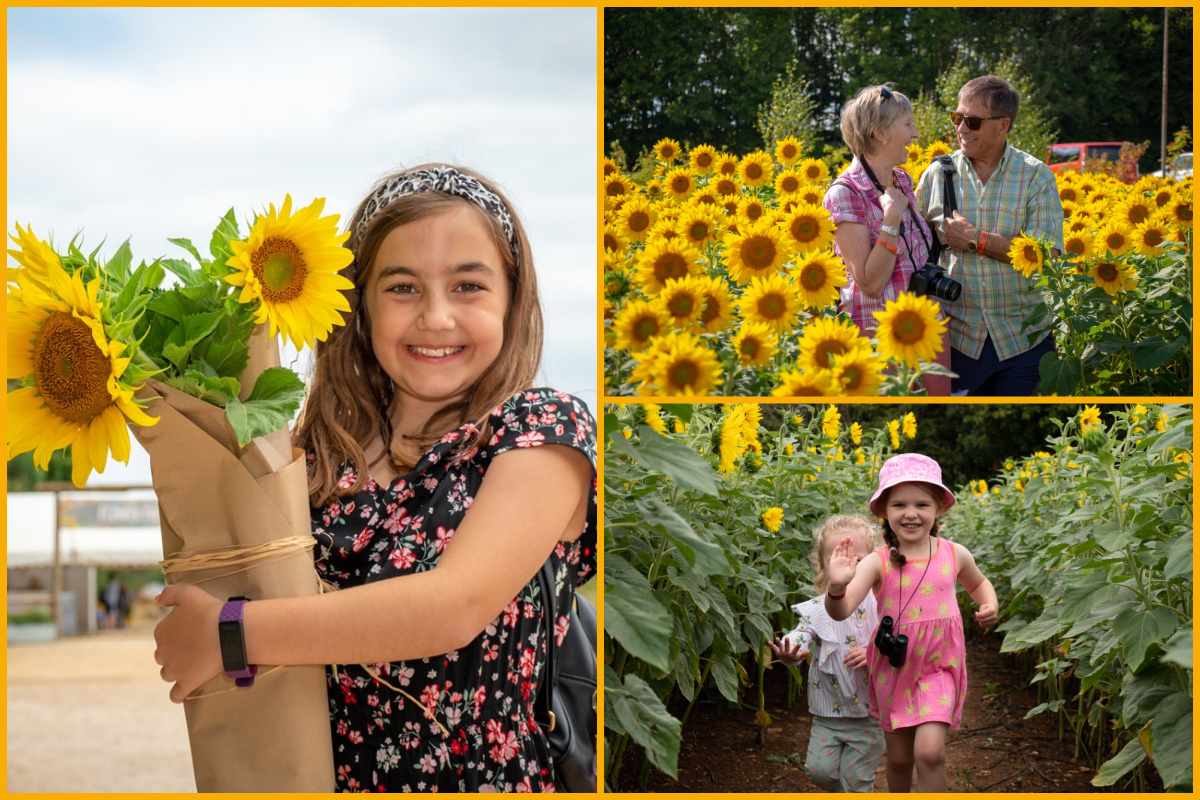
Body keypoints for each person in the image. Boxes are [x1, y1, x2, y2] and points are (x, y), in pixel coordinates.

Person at [153, 164, 597, 792]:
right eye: (402, 288)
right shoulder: (308, 458)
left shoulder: (540, 430)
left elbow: (453, 606)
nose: (436, 317)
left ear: (511, 298)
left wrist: (232, 634)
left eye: (468, 285)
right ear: (357, 305)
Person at [824, 454, 997, 793]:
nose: (911, 513)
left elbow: (978, 583)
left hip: (939, 665)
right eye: (899, 504)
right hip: (894, 668)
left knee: (930, 752)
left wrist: (988, 604)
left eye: (922, 503)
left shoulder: (954, 553)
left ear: (939, 509)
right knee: (900, 759)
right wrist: (836, 587)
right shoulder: (878, 562)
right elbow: (841, 611)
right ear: (884, 511)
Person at [915, 75, 1065, 396]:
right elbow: (912, 248)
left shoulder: (1035, 176)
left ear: (1003, 125)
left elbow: (1046, 257)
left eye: (973, 121)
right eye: (957, 118)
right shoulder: (937, 175)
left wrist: (976, 239)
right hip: (954, 340)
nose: (961, 128)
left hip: (1023, 341)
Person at [824, 84, 951, 396]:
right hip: (880, 336)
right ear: (880, 133)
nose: (917, 133)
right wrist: (891, 220)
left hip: (926, 325)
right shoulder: (845, 193)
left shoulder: (903, 179)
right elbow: (869, 283)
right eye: (908, 124)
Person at [768, 515, 885, 793]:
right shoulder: (819, 607)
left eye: (858, 560)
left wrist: (874, 651)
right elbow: (802, 632)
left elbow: (900, 638)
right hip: (828, 713)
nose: (849, 567)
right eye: (839, 560)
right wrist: (791, 650)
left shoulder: (883, 603)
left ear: (875, 561)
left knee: (857, 781)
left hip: (870, 714)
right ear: (822, 565)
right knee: (818, 773)